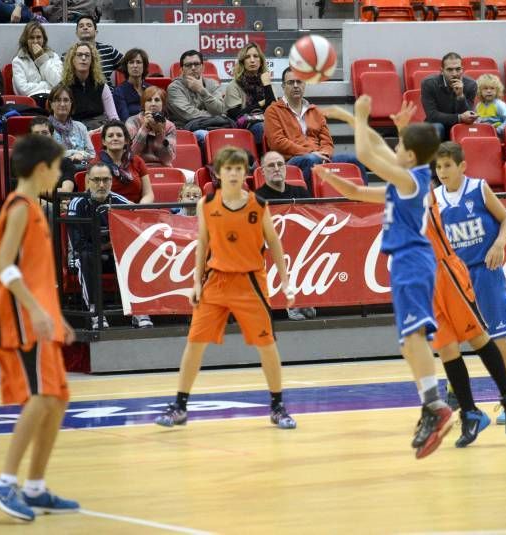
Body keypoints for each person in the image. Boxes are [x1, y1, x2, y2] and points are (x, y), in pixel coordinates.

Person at [317, 97, 453, 459]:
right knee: (409, 342)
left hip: (413, 261)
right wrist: (348, 120)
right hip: (406, 263)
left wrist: (359, 117)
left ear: (409, 156)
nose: (394, 147)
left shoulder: (412, 179)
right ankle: (430, 403)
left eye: (400, 145)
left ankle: (436, 405)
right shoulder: (404, 180)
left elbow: (365, 153)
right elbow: (358, 189)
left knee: (415, 336)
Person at [154, 146, 298, 431]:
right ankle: (180, 406)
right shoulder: (206, 204)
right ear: (218, 173)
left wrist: (285, 279)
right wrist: (195, 282)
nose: (233, 173)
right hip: (216, 281)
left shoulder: (258, 204)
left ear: (245, 173)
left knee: (267, 345)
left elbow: (275, 244)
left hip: (250, 283)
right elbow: (202, 245)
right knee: (194, 343)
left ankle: (277, 405)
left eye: (238, 168)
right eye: (228, 168)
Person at [0, 134, 79, 522]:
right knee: (39, 398)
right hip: (21, 318)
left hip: (40, 315)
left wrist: (57, 314)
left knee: (57, 398)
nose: (59, 175)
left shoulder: (35, 207)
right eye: (58, 168)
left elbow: (36, 273)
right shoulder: (20, 206)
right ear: (42, 169)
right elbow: (5, 266)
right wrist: (37, 310)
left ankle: (35, 487)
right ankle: (5, 482)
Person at [431, 141, 506, 430]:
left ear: (462, 166)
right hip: (456, 277)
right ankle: (455, 395)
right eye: (438, 166)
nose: (443, 171)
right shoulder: (435, 198)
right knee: (453, 340)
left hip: (486, 271)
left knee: (497, 337)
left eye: (448, 165)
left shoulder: (479, 188)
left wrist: (499, 243)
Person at [67, 162, 153, 329]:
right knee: (85, 257)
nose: (101, 184)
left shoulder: (119, 201)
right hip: (86, 255)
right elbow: (79, 245)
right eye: (96, 180)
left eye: (106, 180)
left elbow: (137, 231)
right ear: (87, 181)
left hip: (112, 253)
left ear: (111, 182)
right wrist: (108, 244)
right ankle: (95, 312)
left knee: (134, 253)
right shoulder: (76, 204)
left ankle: (138, 310)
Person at [264, 67, 366, 190]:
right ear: (283, 87)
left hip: (319, 156)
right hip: (291, 160)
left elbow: (327, 141)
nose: (296, 86)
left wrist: (325, 155)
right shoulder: (273, 111)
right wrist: (310, 152)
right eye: (291, 82)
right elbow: (277, 143)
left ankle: (365, 202)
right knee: (311, 159)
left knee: (353, 159)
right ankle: (311, 204)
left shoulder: (315, 111)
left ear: (304, 84)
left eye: (299, 82)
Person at [254, 151, 315, 322]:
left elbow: (315, 221)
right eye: (271, 165)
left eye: (280, 164)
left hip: (300, 249)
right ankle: (290, 303)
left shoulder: (301, 192)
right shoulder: (256, 199)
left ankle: (304, 298)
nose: (276, 169)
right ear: (263, 171)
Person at [166, 49, 227, 148]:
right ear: (181, 70)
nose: (193, 68)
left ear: (202, 67)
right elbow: (189, 114)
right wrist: (215, 116)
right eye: (188, 65)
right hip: (188, 130)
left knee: (231, 135)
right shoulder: (174, 88)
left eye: (196, 64)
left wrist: (202, 91)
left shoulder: (213, 84)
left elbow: (220, 109)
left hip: (215, 125)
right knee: (205, 136)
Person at [224, 43, 275, 145]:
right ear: (242, 62)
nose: (252, 60)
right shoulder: (233, 85)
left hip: (268, 122)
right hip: (245, 127)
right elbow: (235, 115)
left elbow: (273, 109)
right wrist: (260, 104)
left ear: (261, 61)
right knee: (261, 127)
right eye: (247, 57)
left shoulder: (266, 83)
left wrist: (267, 85)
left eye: (256, 56)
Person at [94, 119, 154, 205]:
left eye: (119, 135)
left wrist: (140, 207)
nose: (115, 138)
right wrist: (125, 205)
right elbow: (94, 197)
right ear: (104, 141)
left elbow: (148, 194)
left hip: (137, 211)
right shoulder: (96, 164)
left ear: (126, 140)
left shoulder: (137, 161)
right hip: (109, 211)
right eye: (110, 136)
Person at [62, 40, 118, 130]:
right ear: (72, 59)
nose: (83, 58)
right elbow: (59, 119)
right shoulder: (63, 87)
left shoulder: (102, 86)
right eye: (79, 55)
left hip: (99, 129)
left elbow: (113, 117)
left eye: (87, 55)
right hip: (74, 131)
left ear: (92, 60)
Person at [421, 52, 478, 140]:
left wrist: (460, 96)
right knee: (437, 128)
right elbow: (432, 115)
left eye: (458, 69)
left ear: (462, 69)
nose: (454, 73)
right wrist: (459, 117)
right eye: (450, 70)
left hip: (459, 125)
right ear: (442, 71)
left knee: (473, 129)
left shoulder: (471, 84)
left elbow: (468, 115)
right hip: (435, 124)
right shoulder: (429, 83)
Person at [29, 116, 77, 211]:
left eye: (45, 133)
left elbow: (66, 193)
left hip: (60, 206)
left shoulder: (65, 162)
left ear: (52, 136)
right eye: (36, 134)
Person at [12, 21, 63, 109]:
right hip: (30, 103)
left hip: (53, 101)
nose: (35, 41)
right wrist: (47, 85)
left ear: (44, 39)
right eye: (31, 38)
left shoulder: (53, 56)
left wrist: (42, 59)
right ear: (26, 40)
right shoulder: (18, 61)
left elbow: (58, 82)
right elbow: (22, 90)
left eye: (39, 37)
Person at [125, 86, 177, 167]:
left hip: (162, 168)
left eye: (157, 100)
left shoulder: (170, 126)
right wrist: (145, 127)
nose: (153, 104)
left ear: (163, 105)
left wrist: (160, 133)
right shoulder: (132, 122)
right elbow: (132, 155)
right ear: (143, 104)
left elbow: (167, 159)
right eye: (149, 100)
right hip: (138, 167)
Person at [48, 83, 94, 170]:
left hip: (81, 170)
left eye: (66, 100)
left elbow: (92, 154)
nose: (62, 104)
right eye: (58, 100)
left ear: (71, 103)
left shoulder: (80, 127)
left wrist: (81, 155)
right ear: (51, 104)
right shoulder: (44, 127)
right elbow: (47, 155)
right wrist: (76, 153)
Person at [65, 15, 121, 86]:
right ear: (76, 33)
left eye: (89, 25)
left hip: (107, 93)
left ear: (96, 32)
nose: (85, 28)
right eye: (81, 26)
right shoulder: (69, 54)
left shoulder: (109, 50)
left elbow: (128, 65)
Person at [112, 48, 150, 122]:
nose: (135, 66)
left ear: (144, 66)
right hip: (130, 130)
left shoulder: (151, 89)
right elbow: (125, 119)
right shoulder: (119, 92)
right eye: (131, 62)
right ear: (126, 66)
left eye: (138, 62)